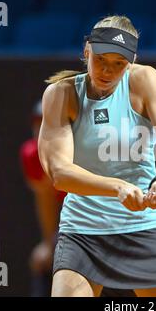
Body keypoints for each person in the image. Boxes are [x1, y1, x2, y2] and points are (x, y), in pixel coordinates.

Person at [38, 15, 156, 297]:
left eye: (118, 64)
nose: (107, 71)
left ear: (131, 62)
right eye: (100, 59)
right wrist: (118, 188)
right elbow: (59, 173)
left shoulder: (146, 80)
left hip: (143, 228)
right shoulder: (61, 94)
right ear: (87, 51)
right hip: (83, 232)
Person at [20, 100, 136, 297]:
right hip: (78, 228)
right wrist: (49, 244)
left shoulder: (86, 152)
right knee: (43, 262)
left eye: (48, 123)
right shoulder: (32, 155)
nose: (42, 130)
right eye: (38, 123)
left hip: (112, 225)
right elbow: (45, 198)